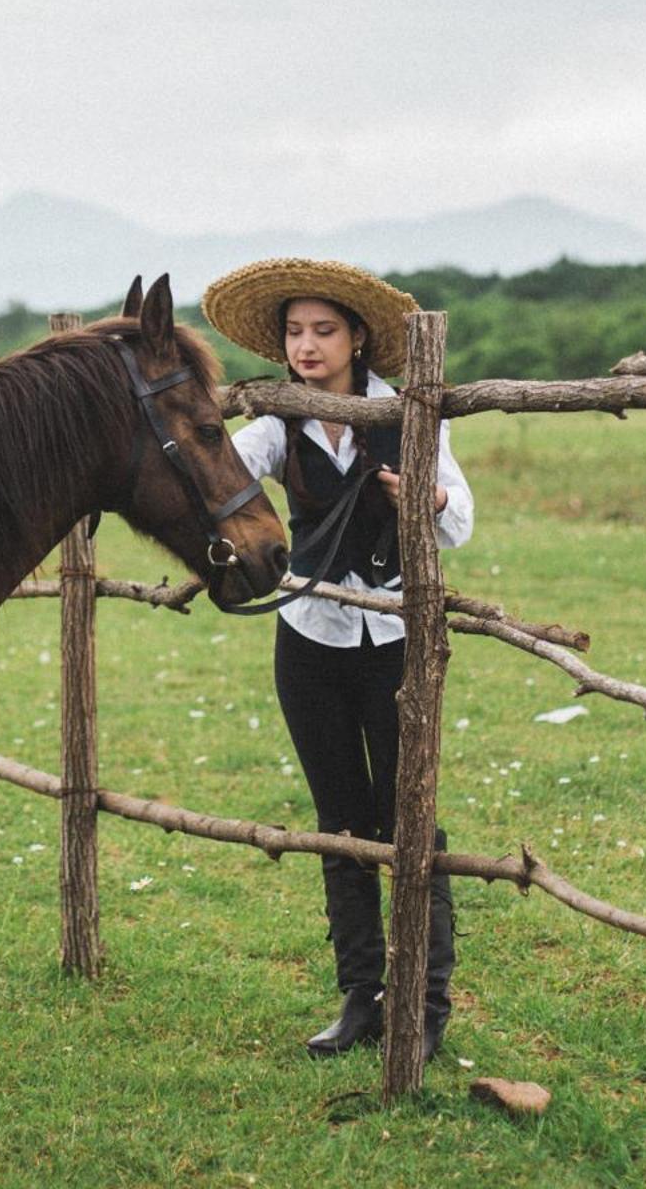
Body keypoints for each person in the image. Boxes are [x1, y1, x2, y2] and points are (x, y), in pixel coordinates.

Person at [201, 257, 472, 1059]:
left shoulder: (409, 410)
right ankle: (360, 996)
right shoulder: (276, 417)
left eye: (323, 330)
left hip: (393, 639)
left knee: (409, 815)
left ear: (357, 337)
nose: (307, 345)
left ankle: (424, 1006)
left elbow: (460, 523)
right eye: (294, 332)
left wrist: (428, 497)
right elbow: (220, 471)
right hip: (309, 640)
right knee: (340, 821)